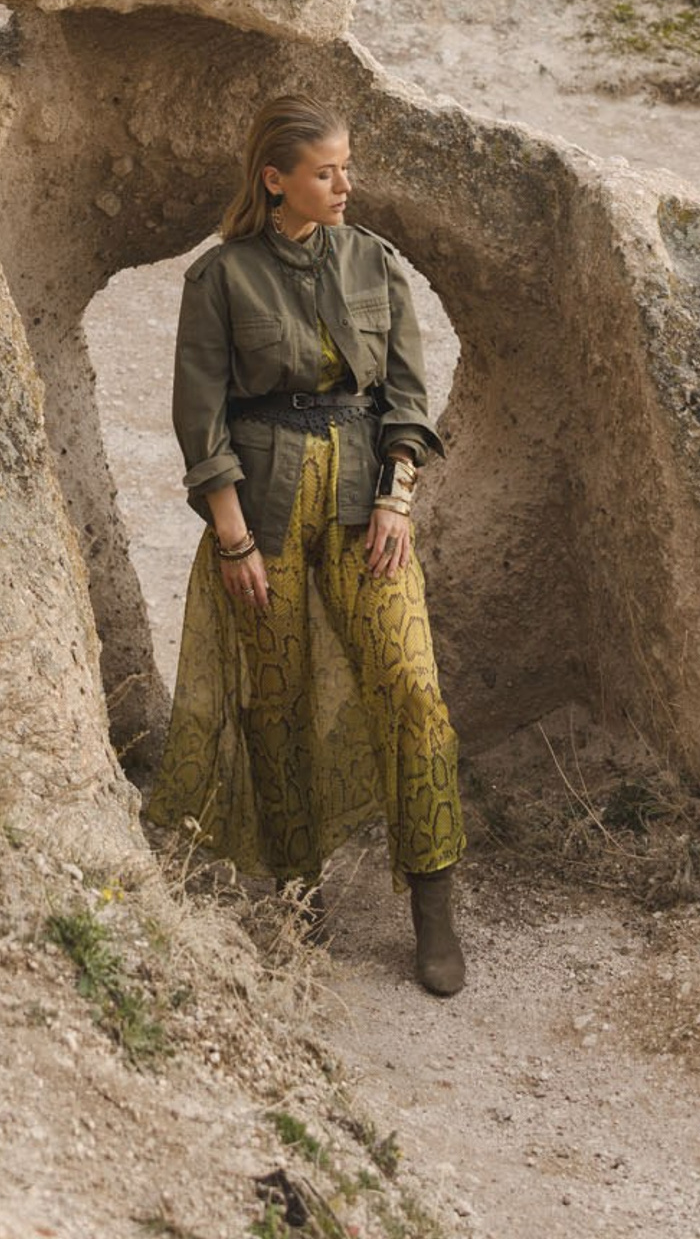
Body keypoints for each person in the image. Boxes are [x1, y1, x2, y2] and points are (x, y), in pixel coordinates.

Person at [144, 93, 466, 995]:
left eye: (347, 168)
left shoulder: (376, 263)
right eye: (326, 172)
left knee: (411, 685)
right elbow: (198, 420)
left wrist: (399, 501)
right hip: (266, 506)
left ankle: (433, 903)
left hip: (367, 503)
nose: (344, 185)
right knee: (273, 699)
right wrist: (236, 542)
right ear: (275, 179)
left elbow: (407, 395)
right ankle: (296, 893)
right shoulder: (220, 278)